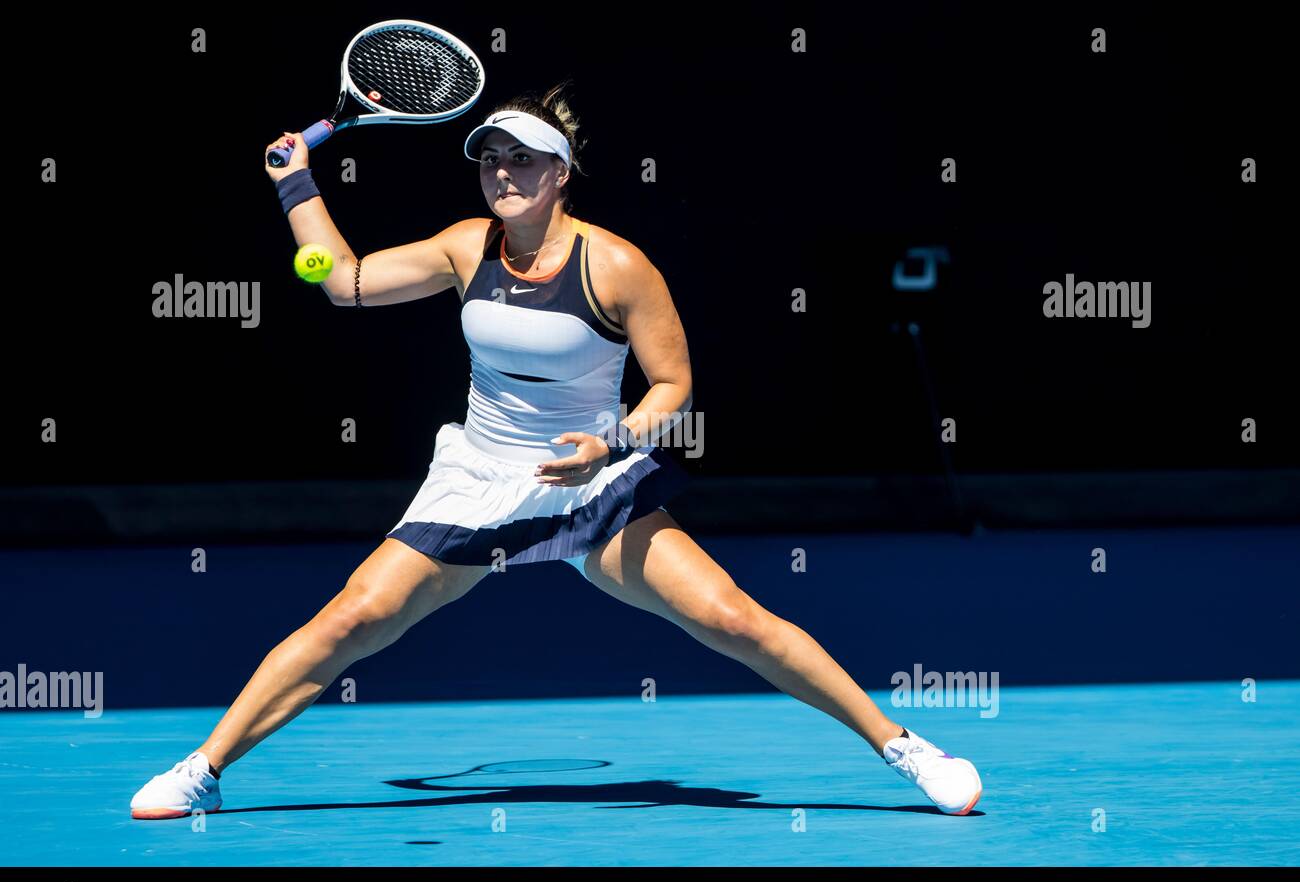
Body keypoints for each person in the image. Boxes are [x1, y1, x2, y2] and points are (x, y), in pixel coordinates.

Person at [130, 83, 981, 821]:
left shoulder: (617, 265)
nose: (503, 172)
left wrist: (605, 443)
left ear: (561, 173)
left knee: (731, 618)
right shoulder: (466, 245)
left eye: (523, 159)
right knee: (352, 618)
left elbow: (674, 389)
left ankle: (906, 749)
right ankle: (203, 770)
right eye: (490, 157)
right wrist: (296, 186)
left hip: (592, 485)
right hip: (478, 480)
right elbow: (342, 281)